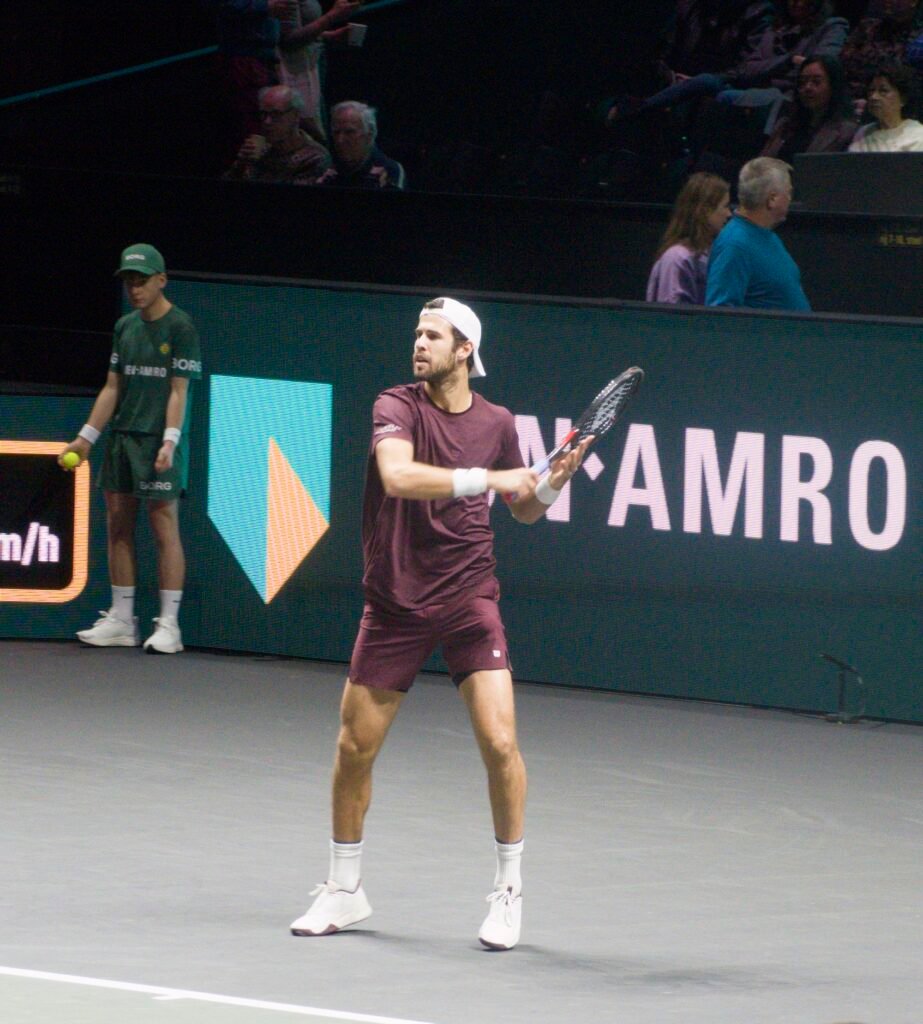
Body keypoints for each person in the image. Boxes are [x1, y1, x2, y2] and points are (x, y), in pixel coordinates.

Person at [289, 298, 592, 950]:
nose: (419, 343)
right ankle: (344, 889)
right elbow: (396, 478)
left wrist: (550, 485)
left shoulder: (497, 421)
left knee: (500, 745)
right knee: (353, 749)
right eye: (416, 333)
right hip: (395, 599)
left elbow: (525, 509)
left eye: (433, 335)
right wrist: (490, 477)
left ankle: (507, 894)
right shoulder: (394, 405)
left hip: (467, 599)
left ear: (464, 351)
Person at [60, 245, 202, 654]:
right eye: (129, 282)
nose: (134, 289)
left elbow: (179, 392)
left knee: (163, 529)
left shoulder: (181, 327)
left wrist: (170, 440)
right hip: (123, 438)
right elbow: (113, 387)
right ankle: (122, 620)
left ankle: (169, 626)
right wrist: (86, 438)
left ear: (162, 280)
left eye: (142, 281)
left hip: (159, 442)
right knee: (118, 525)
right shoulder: (125, 326)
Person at [706, 157, 811, 310]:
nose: (790, 199)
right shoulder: (734, 245)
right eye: (788, 193)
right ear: (772, 199)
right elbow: (721, 313)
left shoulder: (767, 235)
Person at [277, 0, 362, 141]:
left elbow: (300, 28)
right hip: (296, 76)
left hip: (311, 69)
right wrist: (332, 15)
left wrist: (330, 35)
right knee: (310, 136)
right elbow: (289, 41)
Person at [646, 172, 731, 303]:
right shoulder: (677, 258)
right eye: (725, 206)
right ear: (705, 210)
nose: (729, 214)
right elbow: (671, 317)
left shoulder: (712, 253)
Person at [223, 84, 331, 184]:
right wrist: (240, 165)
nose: (267, 121)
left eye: (276, 114)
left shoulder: (314, 157)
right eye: (264, 114)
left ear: (296, 115)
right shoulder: (262, 150)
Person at [762, 55, 858, 159]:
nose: (807, 87)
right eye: (802, 82)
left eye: (816, 82)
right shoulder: (784, 126)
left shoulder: (846, 132)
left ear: (834, 86)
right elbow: (760, 166)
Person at [315, 101, 407, 189]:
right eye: (336, 132)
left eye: (349, 132)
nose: (340, 140)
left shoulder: (389, 170)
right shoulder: (326, 169)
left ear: (370, 134)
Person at [848, 61, 923, 150]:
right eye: (871, 90)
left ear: (903, 99)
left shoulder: (918, 135)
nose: (873, 97)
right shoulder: (863, 133)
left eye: (883, 90)